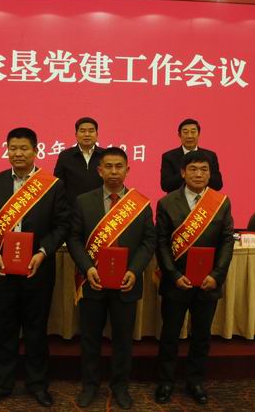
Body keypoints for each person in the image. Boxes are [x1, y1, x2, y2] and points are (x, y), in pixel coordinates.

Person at [0, 127, 70, 408]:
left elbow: (62, 225)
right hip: (2, 269)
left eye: (23, 148)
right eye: (13, 148)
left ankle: (37, 385)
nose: (17, 153)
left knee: (36, 330)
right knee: (4, 330)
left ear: (35, 151)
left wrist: (42, 252)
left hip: (37, 270)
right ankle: (1, 385)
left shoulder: (52, 185)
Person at [67, 147, 155, 409]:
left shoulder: (140, 204)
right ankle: (90, 386)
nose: (114, 172)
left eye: (119, 166)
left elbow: (148, 241)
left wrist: (134, 271)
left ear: (128, 170)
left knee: (123, 339)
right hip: (93, 280)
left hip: (126, 282)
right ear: (99, 170)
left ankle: (120, 387)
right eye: (108, 166)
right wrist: (87, 267)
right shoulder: (84, 201)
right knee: (90, 338)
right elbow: (74, 238)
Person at [154, 150, 234, 405]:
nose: (198, 174)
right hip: (176, 282)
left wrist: (217, 275)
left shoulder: (221, 203)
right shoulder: (167, 202)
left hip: (208, 283)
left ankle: (195, 381)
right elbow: (161, 243)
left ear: (210, 174)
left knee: (201, 336)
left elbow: (227, 242)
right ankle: (166, 381)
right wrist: (174, 275)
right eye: (193, 169)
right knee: (170, 335)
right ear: (183, 173)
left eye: (204, 170)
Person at [160, 118, 223, 193]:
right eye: (185, 132)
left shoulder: (210, 156)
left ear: (198, 134)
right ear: (179, 135)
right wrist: (187, 173)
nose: (189, 136)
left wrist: (203, 174)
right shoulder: (169, 156)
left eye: (193, 132)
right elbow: (165, 185)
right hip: (178, 199)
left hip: (204, 198)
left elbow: (218, 184)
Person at [53, 116, 104, 205]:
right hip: (72, 209)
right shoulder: (65, 156)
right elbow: (58, 185)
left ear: (97, 135)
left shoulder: (105, 155)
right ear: (76, 135)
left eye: (91, 131)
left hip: (100, 208)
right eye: (82, 131)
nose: (87, 134)